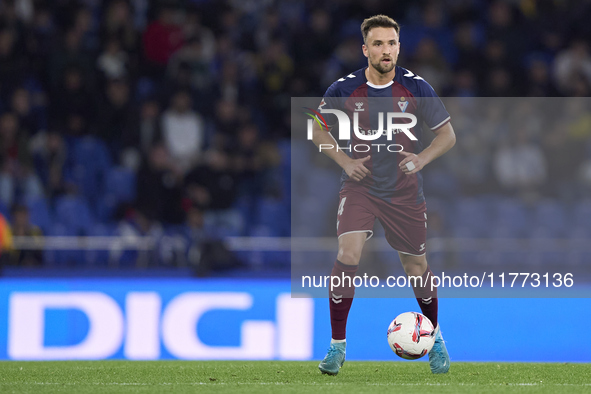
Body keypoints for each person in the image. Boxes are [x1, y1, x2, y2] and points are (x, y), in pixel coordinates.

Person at [311, 15, 456, 375]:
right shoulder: (343, 89)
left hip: (404, 192)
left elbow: (447, 136)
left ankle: (436, 338)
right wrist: (344, 161)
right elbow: (316, 131)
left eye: (391, 43)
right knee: (347, 253)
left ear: (398, 47)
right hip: (360, 186)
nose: (386, 50)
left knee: (416, 267)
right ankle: (337, 347)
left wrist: (421, 159)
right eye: (378, 44)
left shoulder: (416, 87)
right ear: (365, 49)